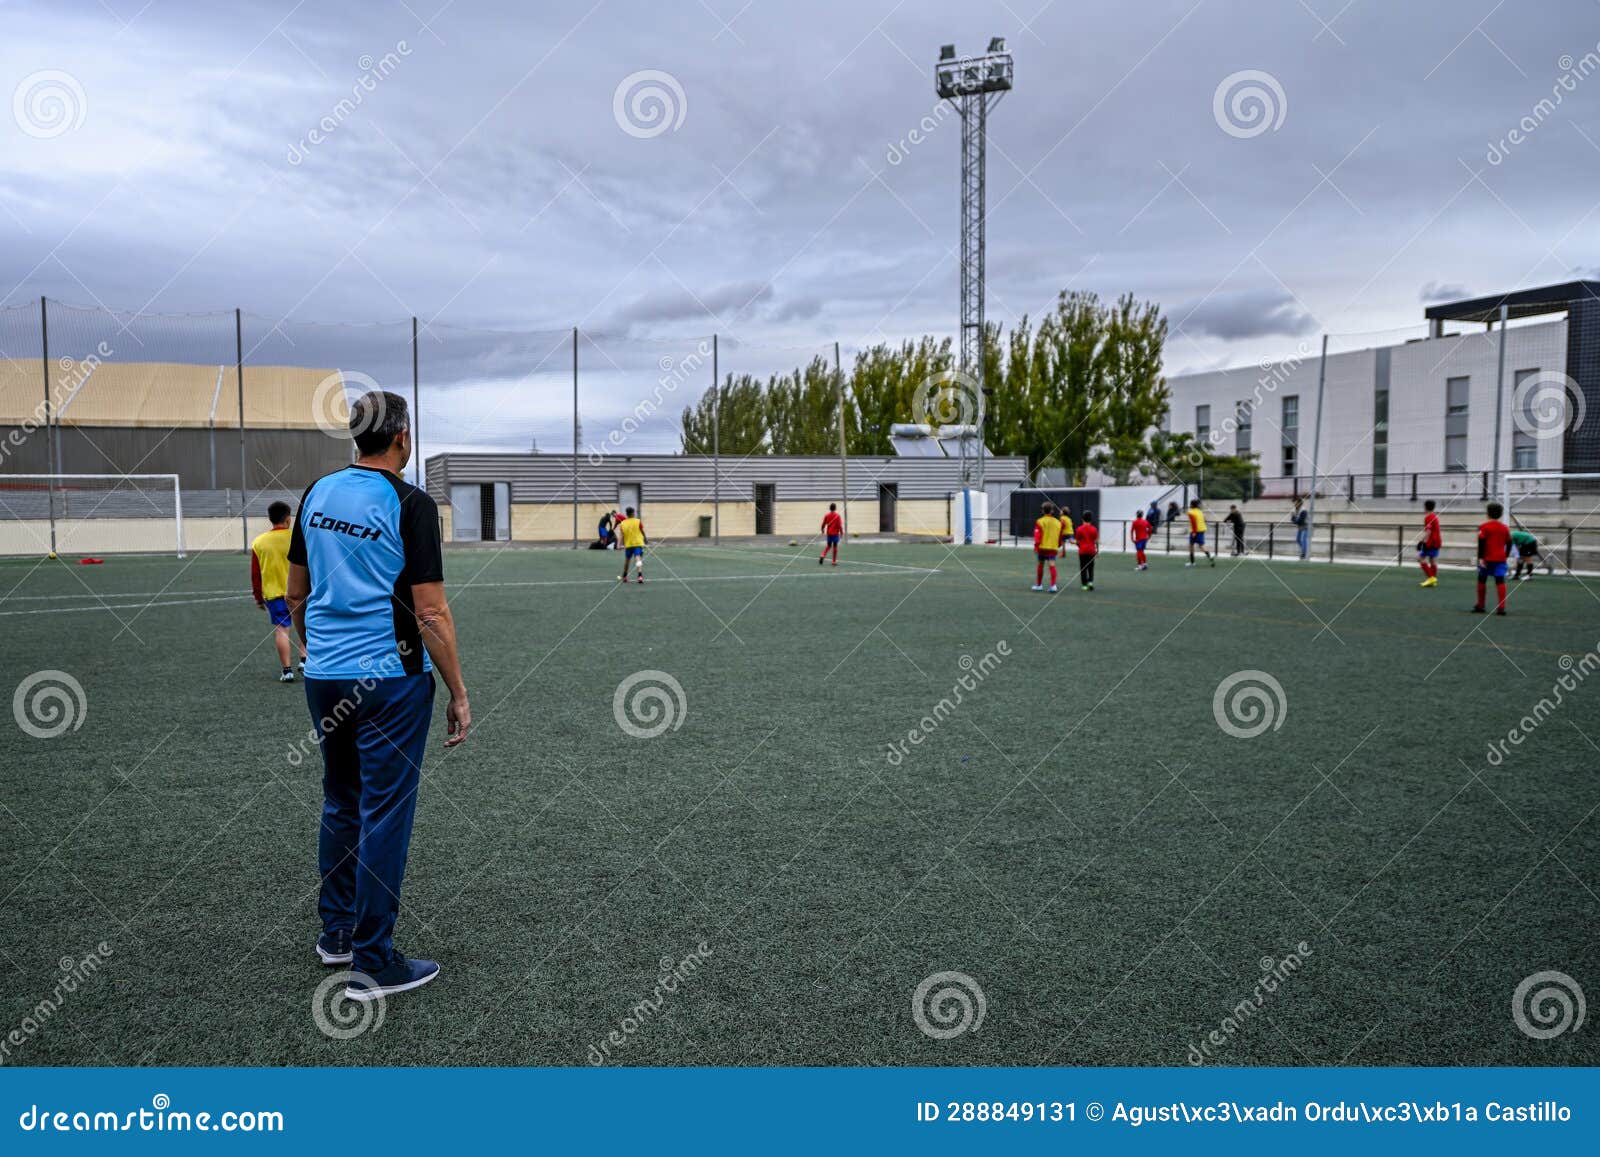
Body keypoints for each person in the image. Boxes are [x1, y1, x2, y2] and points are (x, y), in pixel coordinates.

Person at [286, 390, 469, 1004]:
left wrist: (319, 652)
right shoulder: (410, 502)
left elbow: (294, 596)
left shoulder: (315, 494)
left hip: (325, 677)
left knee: (342, 801)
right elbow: (432, 612)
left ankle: (336, 934)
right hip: (390, 681)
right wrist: (459, 691)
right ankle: (374, 964)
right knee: (383, 814)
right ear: (402, 437)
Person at [251, 500, 306, 682]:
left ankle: (287, 671)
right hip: (300, 591)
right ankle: (305, 661)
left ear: (270, 519)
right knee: (307, 627)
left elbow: (256, 574)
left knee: (282, 630)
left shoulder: (259, 542)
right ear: (288, 519)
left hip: (274, 594)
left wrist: (258, 598)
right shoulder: (297, 537)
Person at [1471, 501, 1512, 616]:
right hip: (1500, 559)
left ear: (1487, 514)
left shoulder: (1484, 527)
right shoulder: (1504, 528)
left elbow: (1482, 542)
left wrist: (1481, 558)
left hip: (1487, 559)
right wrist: (1506, 555)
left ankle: (1481, 605)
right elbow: (1509, 542)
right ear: (1500, 514)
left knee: (1482, 579)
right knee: (1500, 581)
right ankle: (1501, 607)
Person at [1031, 502, 1065, 592]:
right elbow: (1060, 536)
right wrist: (1058, 545)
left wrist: (1036, 546)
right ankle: (1053, 586)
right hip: (1053, 547)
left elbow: (1037, 536)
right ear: (1052, 511)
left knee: (1040, 565)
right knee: (1052, 564)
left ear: (1042, 511)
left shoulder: (1040, 521)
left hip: (1042, 548)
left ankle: (1039, 585)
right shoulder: (1058, 522)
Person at [617, 506, 647, 583]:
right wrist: (645, 539)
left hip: (628, 545)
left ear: (627, 514)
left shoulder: (623, 523)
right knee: (638, 558)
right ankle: (640, 576)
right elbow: (642, 531)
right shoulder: (638, 521)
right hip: (637, 543)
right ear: (633, 513)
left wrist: (618, 545)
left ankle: (625, 576)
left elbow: (621, 535)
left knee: (627, 560)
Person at [1417, 499, 1442, 588]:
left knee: (1420, 558)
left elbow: (1428, 531)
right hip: (1437, 541)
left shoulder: (1428, 517)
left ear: (1425, 507)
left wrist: (1422, 542)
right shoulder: (1434, 516)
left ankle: (1431, 578)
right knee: (1432, 560)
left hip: (1431, 542)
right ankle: (1433, 581)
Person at [1074, 511, 1099, 590]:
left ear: (1082, 519)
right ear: (1091, 519)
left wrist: (1079, 545)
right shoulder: (1094, 529)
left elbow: (1077, 541)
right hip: (1091, 551)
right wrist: (1097, 550)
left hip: (1083, 551)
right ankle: (1090, 582)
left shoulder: (1079, 529)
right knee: (1091, 567)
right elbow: (1096, 541)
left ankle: (1084, 585)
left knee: (1083, 568)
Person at [1185, 499, 1215, 567]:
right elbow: (1205, 519)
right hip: (1202, 530)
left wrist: (1194, 532)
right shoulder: (1200, 511)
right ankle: (1210, 556)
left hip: (1195, 531)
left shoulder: (1190, 512)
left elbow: (1193, 523)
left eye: (1190, 504)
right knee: (1200, 545)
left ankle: (1193, 562)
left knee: (1193, 546)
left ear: (1192, 505)